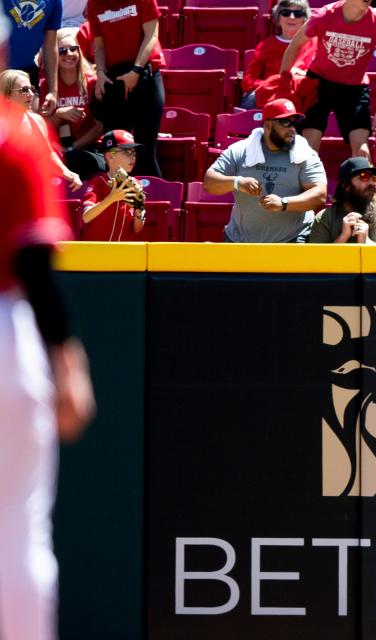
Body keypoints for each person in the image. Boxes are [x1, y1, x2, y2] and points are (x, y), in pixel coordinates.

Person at [0, 19, 95, 640]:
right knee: (18, 531)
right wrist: (67, 361)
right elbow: (35, 261)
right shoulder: (14, 135)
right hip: (7, 330)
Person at [280, 0, 376, 159]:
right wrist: (283, 85)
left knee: (362, 153)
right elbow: (295, 45)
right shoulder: (324, 15)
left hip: (354, 89)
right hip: (318, 84)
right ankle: (309, 184)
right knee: (308, 150)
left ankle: (365, 184)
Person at [203, 98, 328, 243]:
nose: (292, 129)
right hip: (240, 240)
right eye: (286, 122)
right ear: (268, 125)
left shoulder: (304, 152)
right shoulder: (241, 150)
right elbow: (209, 183)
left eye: (294, 122)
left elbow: (320, 194)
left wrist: (284, 203)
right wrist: (237, 182)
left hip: (292, 239)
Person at [88, 0, 166, 177]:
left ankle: (154, 203)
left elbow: (151, 36)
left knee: (145, 153)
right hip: (115, 80)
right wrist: (100, 72)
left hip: (145, 77)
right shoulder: (94, 4)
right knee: (117, 155)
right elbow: (99, 45)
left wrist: (136, 71)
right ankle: (119, 204)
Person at [0, 69, 82, 190]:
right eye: (24, 90)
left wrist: (68, 173)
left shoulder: (37, 121)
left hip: (31, 191)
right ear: (6, 96)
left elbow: (48, 154)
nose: (31, 94)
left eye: (31, 89)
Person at [41, 28, 103, 180]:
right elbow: (42, 129)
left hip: (90, 148)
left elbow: (100, 126)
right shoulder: (46, 86)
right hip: (58, 148)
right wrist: (58, 115)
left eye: (72, 49)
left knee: (78, 160)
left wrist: (70, 148)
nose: (68, 54)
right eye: (62, 51)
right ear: (54, 56)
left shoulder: (93, 82)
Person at [308, 157, 376, 244]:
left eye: (373, 178)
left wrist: (367, 242)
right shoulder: (325, 218)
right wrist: (342, 238)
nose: (371, 183)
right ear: (345, 184)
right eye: (364, 177)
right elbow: (315, 261)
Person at [241, 0, 316, 110]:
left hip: (302, 94)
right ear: (278, 16)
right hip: (270, 96)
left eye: (298, 14)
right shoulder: (266, 45)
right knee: (252, 97)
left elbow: (320, 75)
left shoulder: (315, 43)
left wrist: (300, 75)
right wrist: (272, 83)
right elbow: (248, 81)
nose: (292, 17)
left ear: (304, 19)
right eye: (285, 13)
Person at [80, 130, 147, 241]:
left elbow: (136, 229)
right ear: (110, 156)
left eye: (134, 152)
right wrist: (111, 198)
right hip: (96, 251)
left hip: (120, 252)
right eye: (127, 152)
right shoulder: (99, 182)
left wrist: (139, 214)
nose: (133, 157)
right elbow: (86, 217)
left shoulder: (136, 184)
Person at [5, 0, 61, 115]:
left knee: (31, 117)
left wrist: (53, 91)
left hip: (26, 71)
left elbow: (50, 45)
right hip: (2, 70)